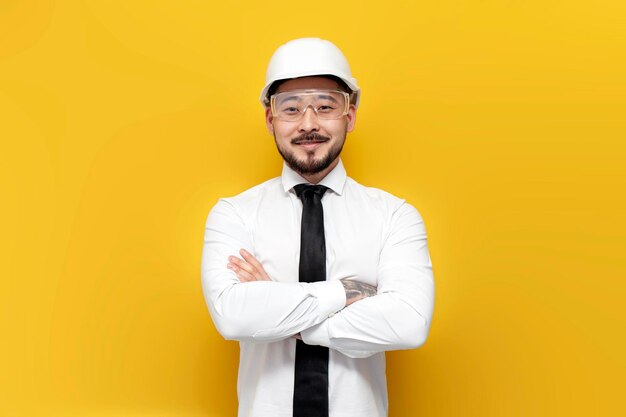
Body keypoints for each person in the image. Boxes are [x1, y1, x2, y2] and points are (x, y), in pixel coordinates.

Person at [201, 38, 435, 417]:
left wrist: (279, 310)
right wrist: (345, 293)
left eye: (325, 106)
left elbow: (408, 324)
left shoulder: (395, 216)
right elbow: (233, 316)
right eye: (290, 109)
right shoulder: (233, 214)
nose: (308, 124)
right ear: (269, 119)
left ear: (350, 115)